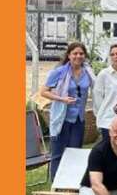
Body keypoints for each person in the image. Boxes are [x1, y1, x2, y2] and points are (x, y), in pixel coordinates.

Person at [39, 42, 97, 179]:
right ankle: (56, 183)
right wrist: (61, 99)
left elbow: (97, 88)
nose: (78, 56)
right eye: (75, 53)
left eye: (81, 53)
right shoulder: (59, 72)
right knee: (58, 154)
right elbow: (43, 92)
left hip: (78, 119)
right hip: (61, 118)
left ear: (85, 55)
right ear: (69, 55)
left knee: (75, 153)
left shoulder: (88, 72)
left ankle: (71, 183)